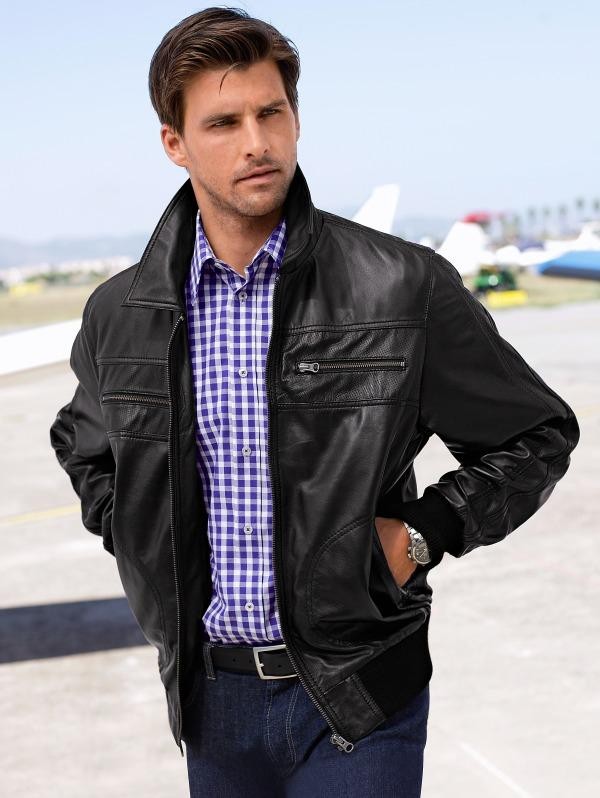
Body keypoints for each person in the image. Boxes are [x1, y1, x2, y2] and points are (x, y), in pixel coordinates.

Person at [49, 7, 580, 797]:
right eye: (223, 123)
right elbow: (84, 445)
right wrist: (139, 535)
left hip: (360, 693)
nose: (257, 142)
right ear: (175, 144)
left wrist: (425, 532)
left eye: (272, 113)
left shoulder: (400, 285)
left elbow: (534, 433)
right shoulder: (121, 313)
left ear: (296, 119)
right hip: (211, 700)